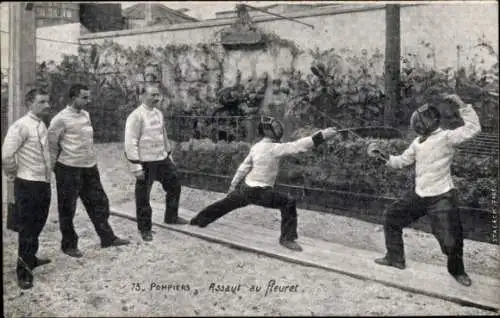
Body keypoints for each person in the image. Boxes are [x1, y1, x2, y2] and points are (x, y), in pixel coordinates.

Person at [367, 94, 481, 287]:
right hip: (420, 194)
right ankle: (395, 258)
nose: (419, 123)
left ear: (432, 121)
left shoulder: (446, 137)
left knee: (451, 239)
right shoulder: (418, 142)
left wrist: (462, 106)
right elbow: (401, 161)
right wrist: (381, 157)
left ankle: (458, 272)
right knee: (392, 216)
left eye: (424, 119)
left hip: (442, 196)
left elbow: (473, 128)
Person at [190, 116, 338, 251]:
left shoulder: (256, 147)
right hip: (260, 192)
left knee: (224, 204)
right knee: (288, 202)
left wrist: (233, 187)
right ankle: (287, 239)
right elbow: (299, 145)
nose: (279, 130)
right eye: (277, 128)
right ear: (271, 132)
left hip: (246, 188)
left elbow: (243, 168)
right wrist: (323, 135)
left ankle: (198, 220)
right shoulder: (275, 148)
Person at [47, 84, 130, 258]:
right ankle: (68, 245)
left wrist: (92, 162)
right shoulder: (59, 119)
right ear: (73, 98)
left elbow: (86, 140)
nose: (88, 101)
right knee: (67, 208)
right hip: (68, 168)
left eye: (88, 97)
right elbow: (51, 145)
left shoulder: (86, 115)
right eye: (84, 97)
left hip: (89, 166)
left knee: (100, 202)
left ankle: (107, 238)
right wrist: (53, 168)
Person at [2, 88, 53, 289]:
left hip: (43, 182)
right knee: (27, 229)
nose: (47, 105)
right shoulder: (20, 126)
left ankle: (30, 258)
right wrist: (13, 176)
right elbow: (6, 154)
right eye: (41, 102)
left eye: (47, 101)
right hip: (28, 184)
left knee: (38, 223)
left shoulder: (41, 124)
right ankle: (23, 272)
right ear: (29, 104)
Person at [124, 83, 188, 242]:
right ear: (142, 96)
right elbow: (130, 142)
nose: (157, 98)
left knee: (175, 185)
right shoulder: (135, 116)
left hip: (161, 159)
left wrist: (168, 155)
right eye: (153, 95)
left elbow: (163, 135)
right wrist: (136, 166)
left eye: (158, 95)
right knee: (143, 197)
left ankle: (171, 217)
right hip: (145, 162)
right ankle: (145, 229)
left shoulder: (159, 113)